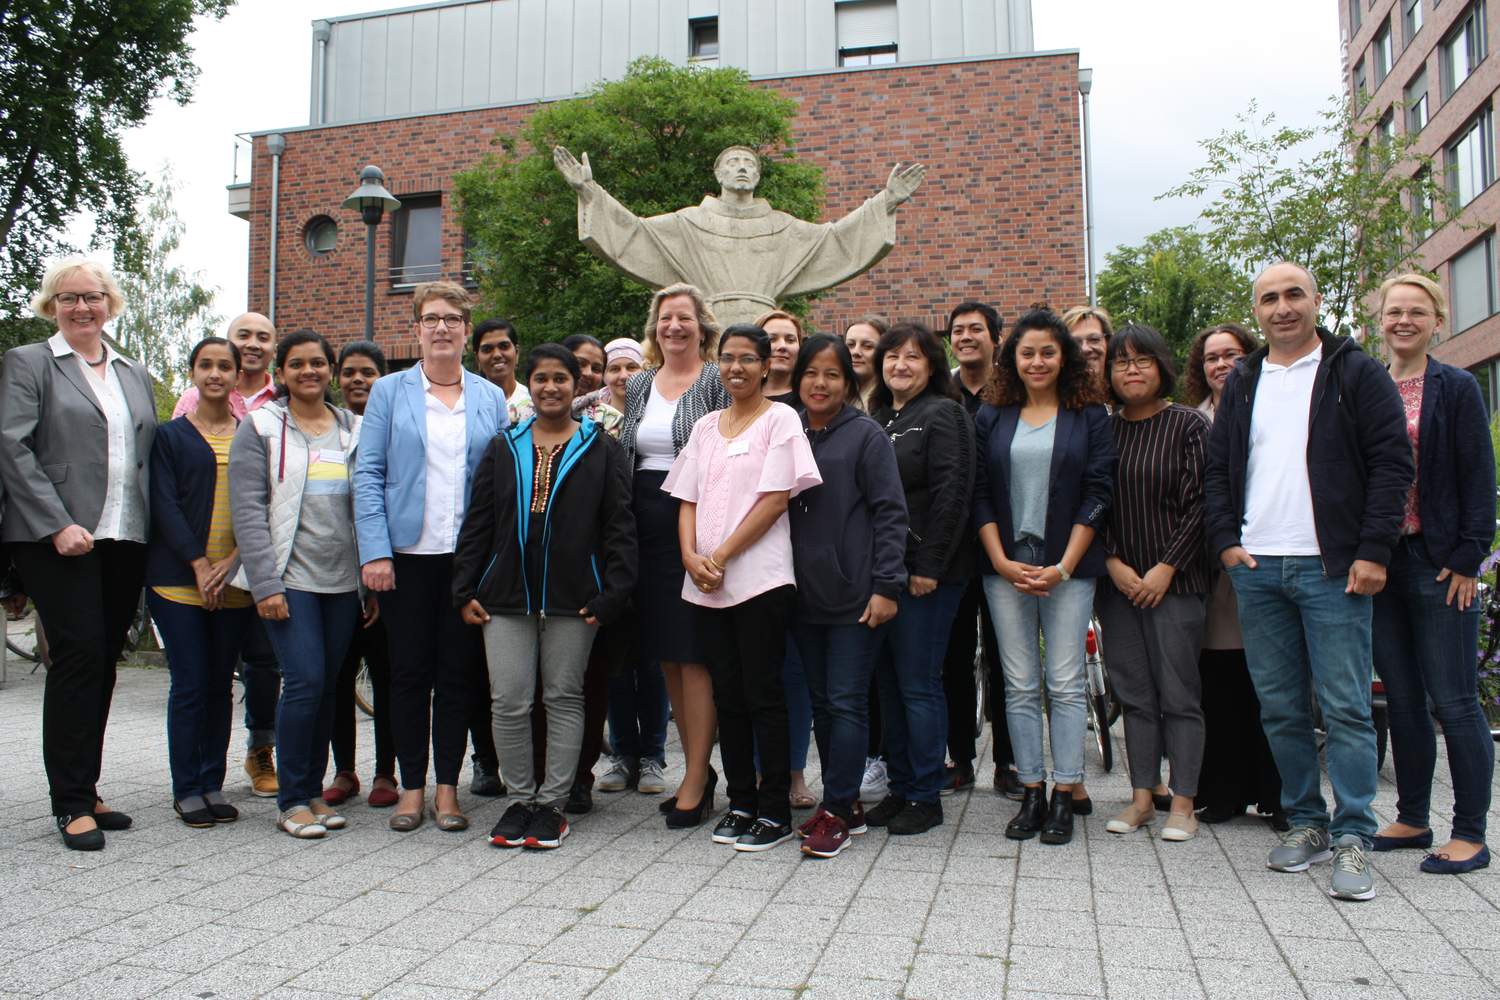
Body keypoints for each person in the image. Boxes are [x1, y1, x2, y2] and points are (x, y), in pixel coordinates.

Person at [1205, 261, 1413, 902]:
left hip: (1334, 568)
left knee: (1347, 708)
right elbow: (1218, 471)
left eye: (1294, 294)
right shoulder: (1243, 380)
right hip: (1259, 568)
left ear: (1316, 301)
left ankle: (1354, 834)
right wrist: (1226, 544)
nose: (1282, 307)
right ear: (1258, 311)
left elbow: (1391, 462)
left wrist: (1374, 549)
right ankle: (1306, 821)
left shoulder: (1354, 372)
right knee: (1282, 708)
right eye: (1269, 298)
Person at [0, 258, 157, 851]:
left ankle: (85, 787)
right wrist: (57, 522)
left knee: (103, 659)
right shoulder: (29, 363)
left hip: (124, 533)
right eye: (68, 299)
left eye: (91, 296)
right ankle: (68, 803)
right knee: (78, 655)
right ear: (51, 306)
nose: (81, 307)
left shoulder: (131, 371)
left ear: (109, 302)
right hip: (57, 537)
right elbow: (12, 449)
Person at [454, 344, 636, 850]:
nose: (551, 387)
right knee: (509, 700)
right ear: (529, 386)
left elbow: (619, 526)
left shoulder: (600, 447)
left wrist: (612, 593)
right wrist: (464, 587)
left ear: (577, 384)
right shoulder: (503, 445)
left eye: (561, 378)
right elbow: (480, 521)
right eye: (541, 379)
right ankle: (520, 798)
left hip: (575, 597)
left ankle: (552, 804)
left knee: (562, 697)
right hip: (505, 596)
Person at [354, 281, 510, 833]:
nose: (441, 327)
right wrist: (374, 552)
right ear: (416, 328)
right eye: (431, 318)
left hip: (466, 561)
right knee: (407, 674)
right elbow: (368, 474)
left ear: (466, 331)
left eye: (452, 319)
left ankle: (449, 789)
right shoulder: (390, 392)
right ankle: (410, 789)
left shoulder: (490, 398)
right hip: (405, 558)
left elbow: (497, 484)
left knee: (458, 675)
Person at [665, 323, 821, 850]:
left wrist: (721, 555)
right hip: (706, 584)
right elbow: (685, 498)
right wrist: (691, 557)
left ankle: (775, 810)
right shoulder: (706, 426)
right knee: (727, 696)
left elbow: (776, 500)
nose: (737, 368)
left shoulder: (781, 421)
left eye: (747, 359)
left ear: (765, 364)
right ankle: (742, 802)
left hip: (760, 581)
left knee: (763, 694)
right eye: (728, 358)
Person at [1369, 273, 1495, 875]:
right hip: (1379, 563)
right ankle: (1413, 816)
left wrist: (1469, 556)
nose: (1404, 321)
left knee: (1455, 699)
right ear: (1381, 320)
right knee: (1402, 699)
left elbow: (1479, 475)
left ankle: (1471, 831)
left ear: (1436, 321)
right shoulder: (1367, 386)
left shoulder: (1457, 387)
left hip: (1439, 561)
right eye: (1395, 311)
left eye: (1417, 312)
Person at [228, 330, 375, 839]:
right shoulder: (262, 426)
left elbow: (370, 503)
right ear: (282, 372)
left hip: (343, 582)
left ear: (330, 370)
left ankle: (312, 791)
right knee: (306, 681)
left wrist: (369, 582)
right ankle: (290, 799)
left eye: (317, 363)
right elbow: (247, 512)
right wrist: (265, 584)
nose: (308, 371)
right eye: (297, 364)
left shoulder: (354, 428)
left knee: (329, 685)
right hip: (290, 580)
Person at [974, 308, 1113, 847]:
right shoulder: (992, 414)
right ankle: (1031, 787)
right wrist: (1002, 561)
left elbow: (1100, 492)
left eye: (1048, 352)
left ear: (1064, 357)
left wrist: (1064, 566)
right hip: (1003, 567)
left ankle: (1065, 791)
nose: (1037, 361)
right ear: (1012, 357)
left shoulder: (1090, 415)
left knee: (1065, 680)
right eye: (1027, 352)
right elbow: (979, 493)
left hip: (1068, 569)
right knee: (1020, 683)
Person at [554, 143, 924, 327]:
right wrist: (589, 192)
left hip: (766, 333)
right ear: (718, 174)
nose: (742, 168)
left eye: (750, 164)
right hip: (708, 333)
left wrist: (885, 202)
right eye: (733, 163)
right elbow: (634, 232)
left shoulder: (784, 227)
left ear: (758, 176)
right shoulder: (687, 223)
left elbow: (835, 240)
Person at [787, 335, 907, 858]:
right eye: (811, 373)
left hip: (857, 593)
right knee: (821, 704)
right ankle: (846, 802)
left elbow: (890, 513)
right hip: (799, 593)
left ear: (849, 381)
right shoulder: (784, 430)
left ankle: (835, 809)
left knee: (847, 702)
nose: (820, 383)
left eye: (832, 374)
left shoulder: (866, 436)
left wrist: (886, 585)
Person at [617, 284, 731, 814]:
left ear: (701, 326)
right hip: (643, 522)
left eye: (684, 318)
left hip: (695, 521)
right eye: (666, 319)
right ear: (655, 327)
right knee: (666, 655)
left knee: (694, 656)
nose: (674, 327)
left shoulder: (714, 379)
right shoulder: (639, 382)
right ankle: (696, 768)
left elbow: (724, 454)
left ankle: (694, 778)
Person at [1096, 325, 1210, 843]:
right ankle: (1143, 795)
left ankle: (1183, 802)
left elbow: (1201, 504)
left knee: (1179, 694)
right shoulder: (1103, 430)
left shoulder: (1187, 424)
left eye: (1142, 360)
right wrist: (1113, 563)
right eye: (1121, 362)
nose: (1131, 370)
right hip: (1119, 584)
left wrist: (1166, 567)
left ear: (1162, 366)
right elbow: (1092, 505)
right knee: (1135, 695)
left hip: (1177, 583)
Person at [865, 323, 975, 836]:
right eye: (891, 357)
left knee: (917, 682)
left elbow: (954, 495)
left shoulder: (945, 414)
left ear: (932, 365)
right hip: (884, 574)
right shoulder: (881, 417)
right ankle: (901, 786)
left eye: (912, 357)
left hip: (926, 576)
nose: (900, 365)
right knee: (888, 683)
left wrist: (929, 567)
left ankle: (927, 794)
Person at [147, 337, 256, 828]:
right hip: (179, 582)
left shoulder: (251, 434)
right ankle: (186, 787)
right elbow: (164, 504)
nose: (215, 373)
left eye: (224, 366)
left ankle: (212, 781)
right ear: (192, 372)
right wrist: (199, 564)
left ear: (237, 375)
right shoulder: (170, 436)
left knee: (219, 685)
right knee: (190, 683)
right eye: (205, 365)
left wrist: (233, 561)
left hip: (234, 580)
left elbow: (261, 505)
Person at [174, 312, 282, 798]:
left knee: (264, 662)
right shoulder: (192, 403)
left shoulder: (281, 402)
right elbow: (180, 479)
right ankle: (194, 777)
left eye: (263, 337)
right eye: (245, 336)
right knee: (203, 677)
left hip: (255, 556)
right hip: (196, 562)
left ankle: (261, 750)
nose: (253, 344)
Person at [1182, 323, 1284, 830]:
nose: (1221, 365)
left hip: (1270, 558)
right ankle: (1222, 792)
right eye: (1211, 358)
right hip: (1210, 568)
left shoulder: (1270, 408)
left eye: (1231, 355)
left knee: (1274, 683)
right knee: (1220, 683)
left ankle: (1276, 792)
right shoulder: (1192, 420)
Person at [942, 301, 1016, 798]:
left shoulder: (1012, 391)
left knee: (1004, 657)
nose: (966, 337)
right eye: (958, 330)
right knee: (952, 657)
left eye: (975, 330)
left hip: (1003, 545)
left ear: (995, 337)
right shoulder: (940, 388)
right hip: (949, 550)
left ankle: (1009, 761)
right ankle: (961, 757)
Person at [323, 341, 398, 810]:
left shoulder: (393, 428)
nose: (357, 380)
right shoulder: (323, 429)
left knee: (387, 677)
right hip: (331, 574)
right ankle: (344, 770)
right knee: (338, 678)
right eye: (349, 372)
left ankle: (386, 772)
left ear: (383, 378)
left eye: (367, 372)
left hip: (384, 574)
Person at [755, 309, 816, 807]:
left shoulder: (809, 405)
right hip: (744, 551)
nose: (780, 345)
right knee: (751, 670)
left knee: (792, 670)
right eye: (770, 338)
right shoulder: (734, 403)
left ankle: (794, 771)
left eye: (789, 338)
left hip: (800, 552)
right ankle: (756, 771)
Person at [560, 333, 624, 436]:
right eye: (580, 364)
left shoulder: (612, 419)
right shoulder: (532, 409)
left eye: (596, 369)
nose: (588, 373)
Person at [474, 318, 529, 426]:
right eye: (487, 349)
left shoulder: (533, 402)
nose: (497, 355)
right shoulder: (469, 406)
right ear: (477, 359)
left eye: (504, 346)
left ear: (516, 353)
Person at [758, 309, 805, 407]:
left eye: (790, 340)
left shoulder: (811, 399)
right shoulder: (739, 396)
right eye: (771, 339)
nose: (782, 346)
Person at [843, 316, 887, 412]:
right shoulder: (835, 396)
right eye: (850, 345)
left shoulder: (889, 403)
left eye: (867, 346)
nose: (856, 352)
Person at [1061, 305, 1113, 387]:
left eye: (1094, 339)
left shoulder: (1123, 394)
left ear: (1108, 341)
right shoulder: (1053, 397)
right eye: (1075, 343)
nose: (1085, 348)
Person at [602, 338, 643, 414]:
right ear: (603, 376)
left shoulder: (661, 408)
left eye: (631, 367)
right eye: (614, 369)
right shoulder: (588, 414)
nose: (623, 376)